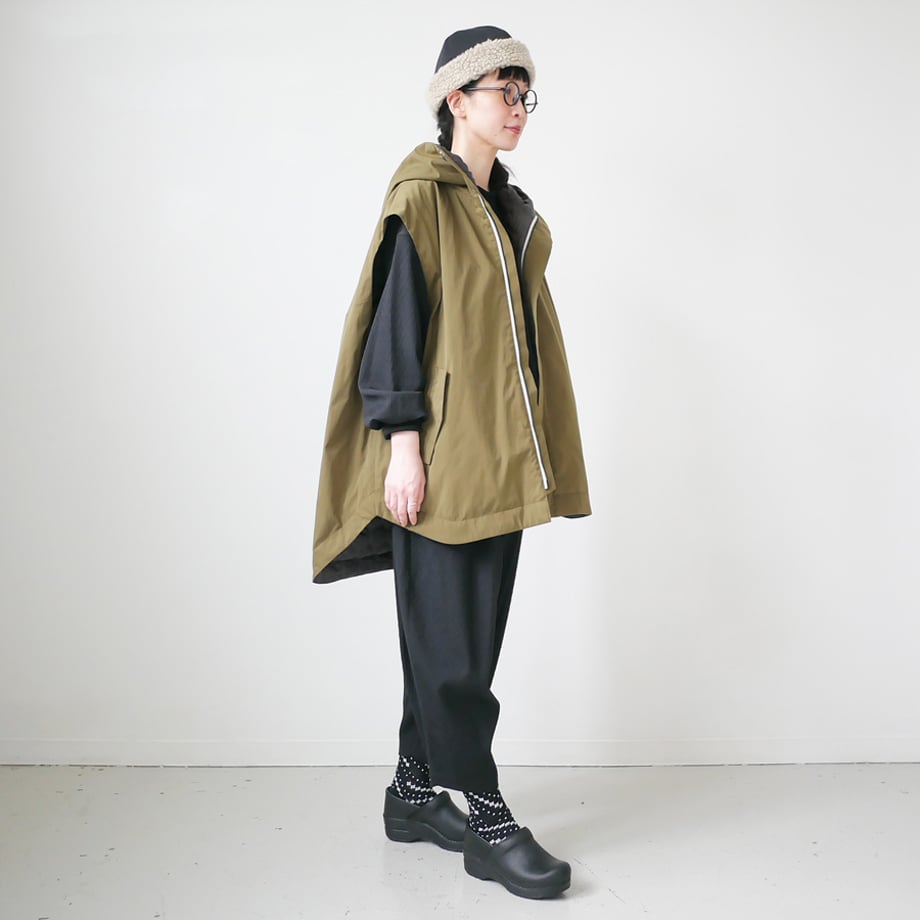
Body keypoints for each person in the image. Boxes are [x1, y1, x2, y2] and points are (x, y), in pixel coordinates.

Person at [312, 25, 591, 900]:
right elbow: (394, 329)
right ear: (456, 100)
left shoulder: (503, 208)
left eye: (524, 92)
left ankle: (411, 794)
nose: (518, 107)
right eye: (503, 90)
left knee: (453, 640)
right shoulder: (423, 197)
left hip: (499, 462)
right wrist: (403, 450)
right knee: (453, 655)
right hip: (438, 464)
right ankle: (487, 819)